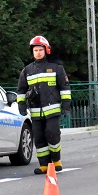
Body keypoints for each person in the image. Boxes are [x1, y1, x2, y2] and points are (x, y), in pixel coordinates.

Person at [17, 35, 72, 175]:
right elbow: (21, 90)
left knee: (52, 134)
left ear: (46, 50)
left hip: (52, 110)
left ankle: (56, 160)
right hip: (36, 112)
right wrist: (21, 106)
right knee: (39, 138)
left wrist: (66, 106)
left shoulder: (56, 68)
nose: (38, 53)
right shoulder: (27, 70)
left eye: (40, 50)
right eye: (35, 50)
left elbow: (65, 88)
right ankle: (44, 166)